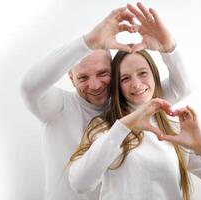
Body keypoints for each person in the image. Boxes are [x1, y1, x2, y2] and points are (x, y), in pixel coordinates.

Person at [20, 2, 191, 200]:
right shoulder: (58, 106)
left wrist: (168, 46)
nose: (95, 85)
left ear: (115, 71)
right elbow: (29, 87)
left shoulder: (130, 106)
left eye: (103, 73)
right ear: (71, 77)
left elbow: (183, 86)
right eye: (83, 77)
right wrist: (87, 43)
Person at [68, 45, 201, 199]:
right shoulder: (104, 128)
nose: (136, 84)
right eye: (125, 78)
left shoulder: (173, 128)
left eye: (142, 73)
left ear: (155, 75)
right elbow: (80, 184)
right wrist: (124, 126)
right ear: (117, 85)